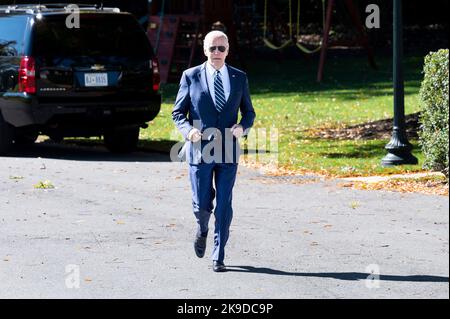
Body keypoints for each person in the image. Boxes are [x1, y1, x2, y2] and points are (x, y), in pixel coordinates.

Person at [172, 30, 256, 272]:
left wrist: (243, 126)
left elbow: (249, 112)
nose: (216, 52)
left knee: (224, 205)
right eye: (212, 48)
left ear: (228, 50)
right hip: (200, 150)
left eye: (221, 48)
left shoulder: (239, 77)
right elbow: (178, 112)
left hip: (228, 149)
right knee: (202, 204)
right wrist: (188, 132)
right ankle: (202, 228)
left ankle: (218, 255)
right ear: (204, 50)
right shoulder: (191, 76)